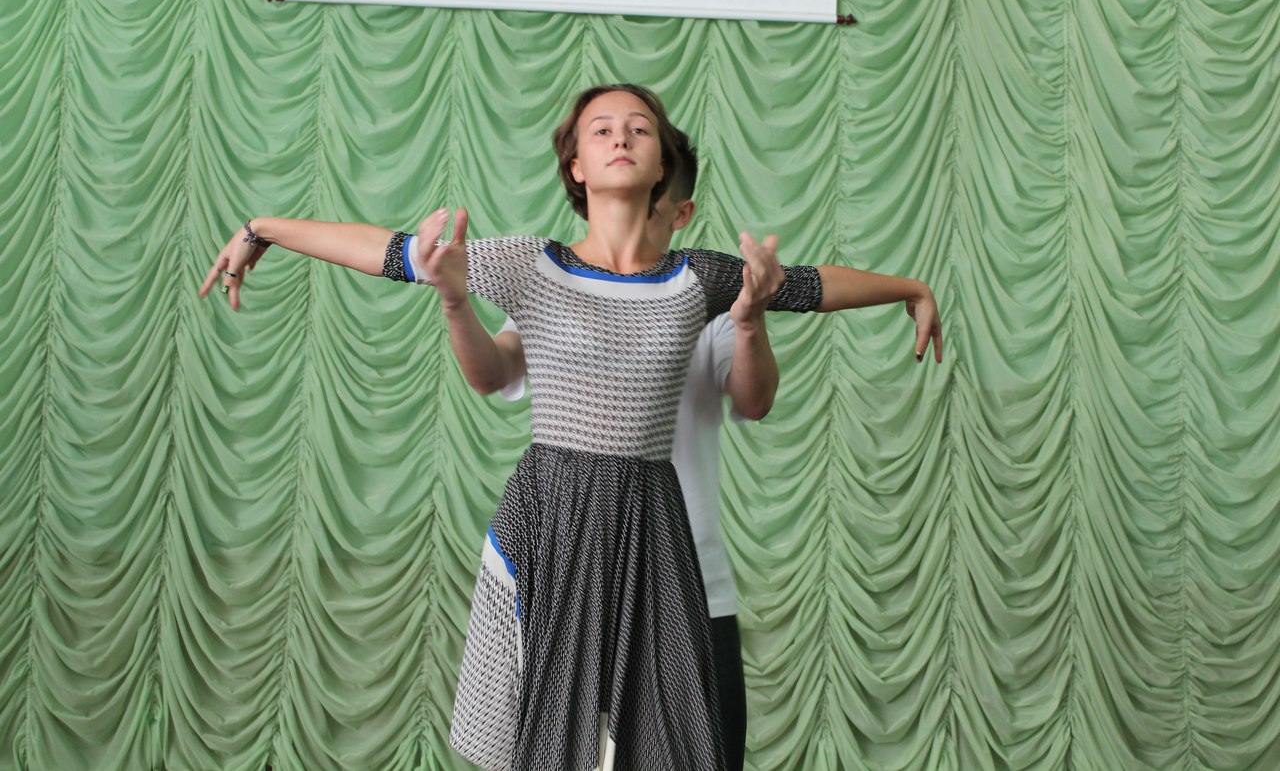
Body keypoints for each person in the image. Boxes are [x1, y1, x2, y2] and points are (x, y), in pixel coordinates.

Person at [199, 84, 829, 770]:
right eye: (601, 130)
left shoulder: (705, 283)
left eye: (639, 129)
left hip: (674, 558)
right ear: (575, 166)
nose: (620, 138)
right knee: (551, 742)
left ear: (668, 180)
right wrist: (265, 228)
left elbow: (807, 297)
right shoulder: (535, 269)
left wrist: (898, 292)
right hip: (558, 533)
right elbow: (395, 256)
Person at [478, 130, 943, 770]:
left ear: (678, 209)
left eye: (649, 201)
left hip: (692, 585)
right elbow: (494, 369)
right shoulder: (558, 293)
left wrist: (899, 290)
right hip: (576, 583)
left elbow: (759, 393)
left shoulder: (712, 295)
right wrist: (454, 302)